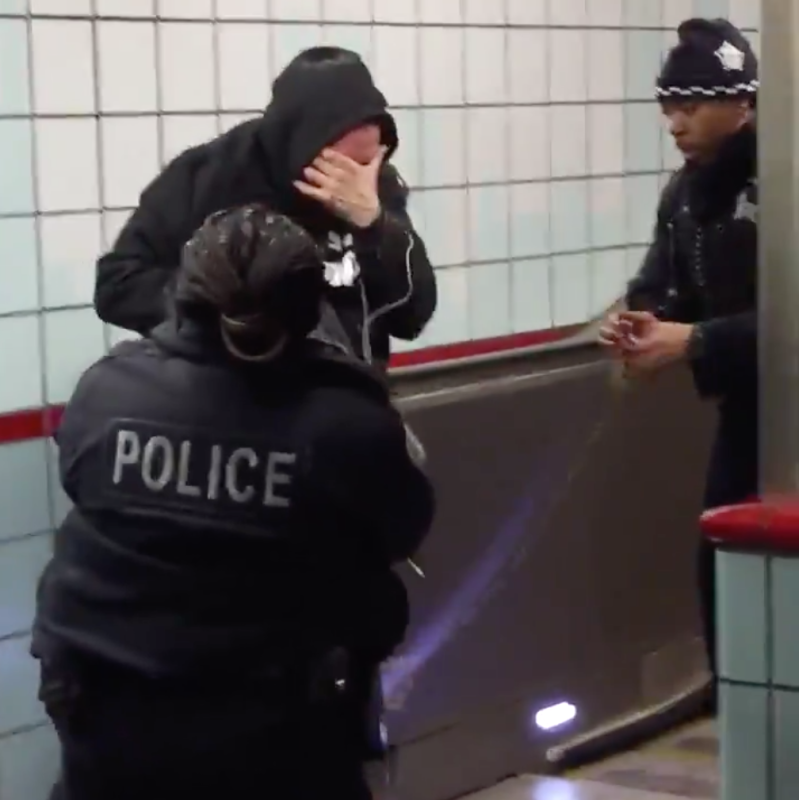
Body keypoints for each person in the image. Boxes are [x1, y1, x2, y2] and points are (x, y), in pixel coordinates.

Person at [34, 205, 435, 800]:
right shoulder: (345, 420)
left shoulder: (107, 390)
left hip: (105, 718)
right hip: (281, 735)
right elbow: (403, 527)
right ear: (307, 303)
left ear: (184, 295)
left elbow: (82, 482)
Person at [94, 46, 437, 366]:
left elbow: (411, 317)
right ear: (304, 147)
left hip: (342, 399)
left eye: (368, 164)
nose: (355, 181)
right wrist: (221, 302)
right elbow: (117, 285)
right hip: (227, 396)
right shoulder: (210, 177)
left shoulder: (372, 187)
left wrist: (374, 225)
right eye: (340, 168)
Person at [599, 18, 758, 692]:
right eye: (668, 108)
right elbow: (660, 281)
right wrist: (638, 323)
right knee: (722, 566)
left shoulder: (783, 180)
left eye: (688, 106)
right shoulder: (687, 194)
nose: (674, 123)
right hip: (750, 410)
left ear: (741, 103)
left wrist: (692, 341)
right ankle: (744, 714)